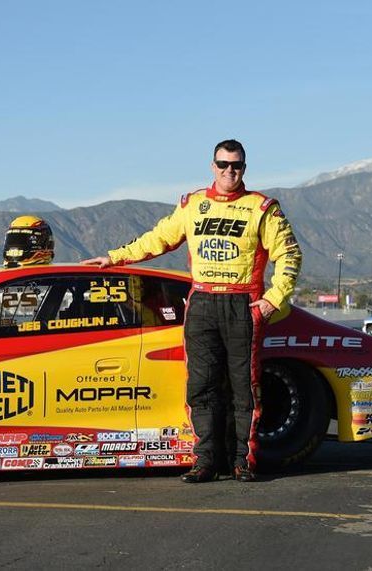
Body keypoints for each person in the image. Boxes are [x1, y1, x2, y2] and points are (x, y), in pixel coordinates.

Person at [82, 139, 302, 483]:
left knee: (243, 387)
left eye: (237, 165)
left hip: (242, 303)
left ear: (245, 167)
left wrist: (273, 300)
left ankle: (242, 461)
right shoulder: (192, 204)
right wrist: (114, 257)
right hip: (201, 303)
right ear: (212, 165)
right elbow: (158, 239)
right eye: (223, 164)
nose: (230, 171)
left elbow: (290, 255)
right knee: (201, 385)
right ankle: (205, 462)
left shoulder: (263, 207)